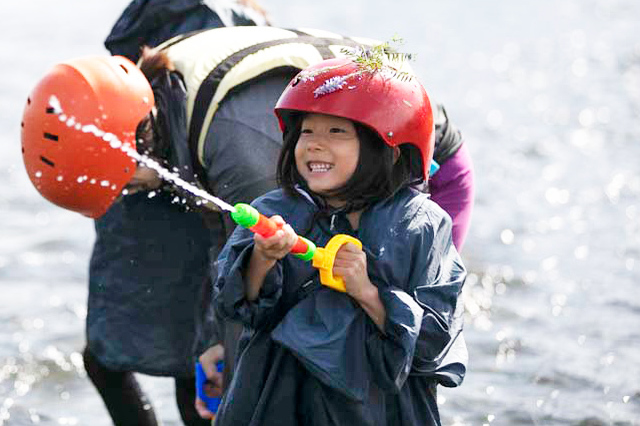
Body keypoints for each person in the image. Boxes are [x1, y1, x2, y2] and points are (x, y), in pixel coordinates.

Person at [21, 21, 472, 425]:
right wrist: (212, 337)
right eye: (308, 134)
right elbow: (238, 270)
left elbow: (428, 336)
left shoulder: (251, 148)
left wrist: (224, 348)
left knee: (354, 349)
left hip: (413, 160)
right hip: (338, 162)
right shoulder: (164, 98)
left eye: (125, 180)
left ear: (136, 138)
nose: (128, 190)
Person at [211, 53, 466, 425]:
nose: (314, 144)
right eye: (307, 131)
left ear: (388, 149)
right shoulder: (273, 209)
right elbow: (234, 305)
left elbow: (433, 343)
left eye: (336, 132)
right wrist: (262, 258)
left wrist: (367, 292)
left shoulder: (421, 225)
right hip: (275, 400)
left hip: (379, 410)